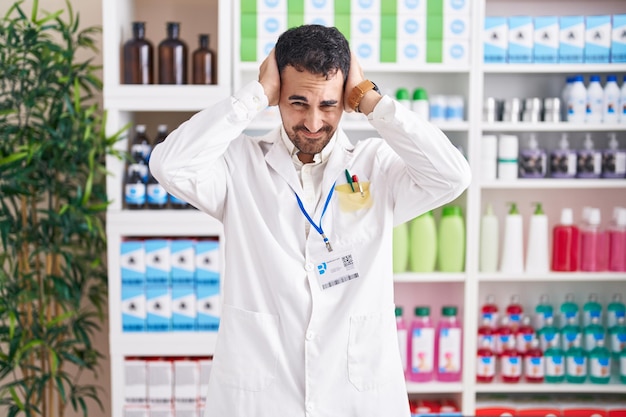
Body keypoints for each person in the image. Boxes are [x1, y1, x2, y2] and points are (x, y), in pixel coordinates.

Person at [150, 24, 471, 417]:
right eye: (298, 103)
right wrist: (252, 97)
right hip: (262, 398)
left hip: (356, 394)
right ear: (277, 94)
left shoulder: (375, 166)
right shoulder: (240, 165)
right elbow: (169, 164)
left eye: (329, 105)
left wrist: (372, 101)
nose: (314, 123)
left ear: (346, 99)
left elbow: (453, 176)